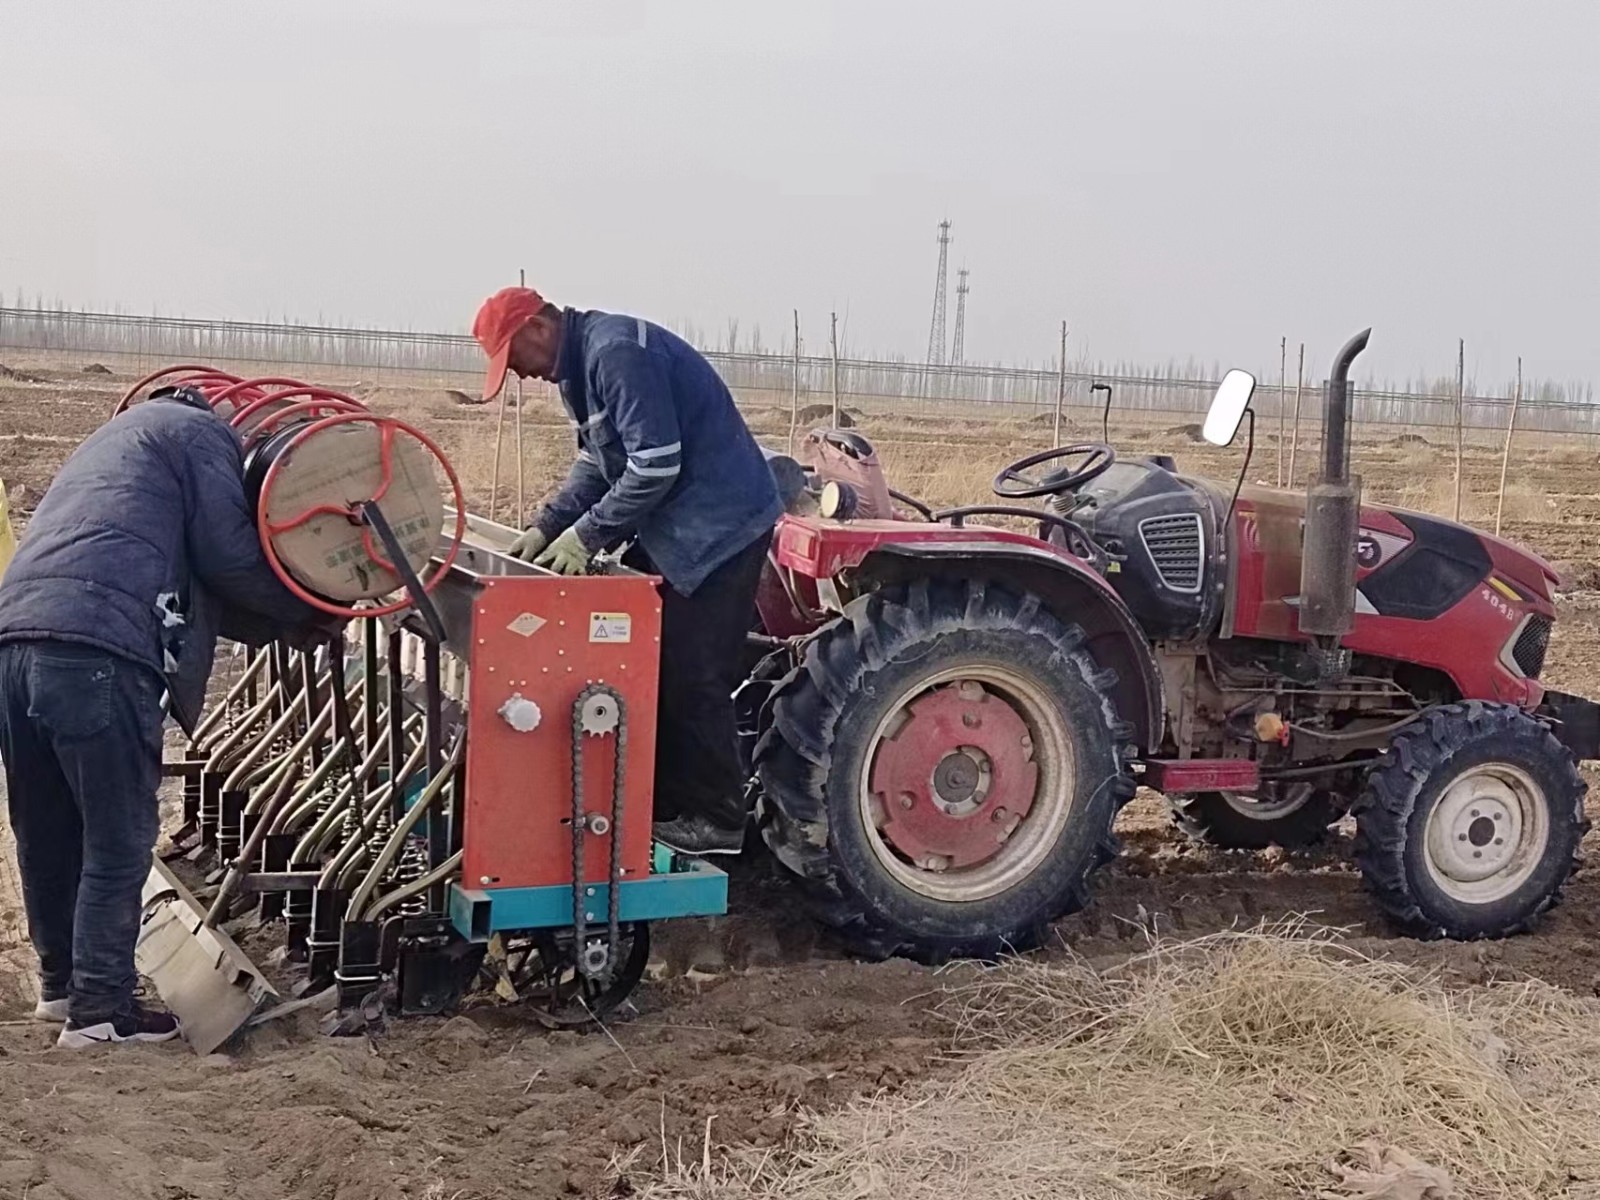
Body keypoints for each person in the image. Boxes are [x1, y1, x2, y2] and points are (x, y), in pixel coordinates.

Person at [0, 385, 335, 1047]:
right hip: (98, 646)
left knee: (47, 828)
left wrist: (284, 627)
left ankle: (62, 987)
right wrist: (314, 607)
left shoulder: (118, 442)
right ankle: (101, 1014)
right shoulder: (201, 435)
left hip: (13, 642)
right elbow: (231, 559)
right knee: (117, 837)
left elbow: (200, 586)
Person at [472, 286, 781, 856]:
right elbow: (598, 461)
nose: (518, 375)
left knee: (693, 671)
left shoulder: (617, 354)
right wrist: (547, 526)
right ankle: (656, 801)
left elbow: (655, 465)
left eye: (514, 359)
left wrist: (586, 536)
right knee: (641, 658)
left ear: (538, 327)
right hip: (676, 522)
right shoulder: (577, 371)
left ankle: (718, 820)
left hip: (721, 523)